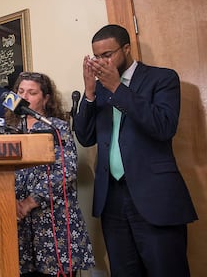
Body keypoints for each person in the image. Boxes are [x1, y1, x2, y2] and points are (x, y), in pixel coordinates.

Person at [74, 24, 197, 276]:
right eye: (96, 56)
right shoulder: (99, 89)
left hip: (155, 196)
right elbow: (85, 138)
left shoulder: (162, 78)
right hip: (112, 199)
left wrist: (118, 88)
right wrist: (89, 92)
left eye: (107, 55)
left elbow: (163, 127)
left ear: (127, 48)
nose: (101, 62)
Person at [6, 71, 94, 277]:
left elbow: (66, 170)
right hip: (17, 219)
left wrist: (30, 202)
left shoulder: (56, 128)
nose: (24, 97)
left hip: (52, 218)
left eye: (32, 92)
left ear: (46, 99)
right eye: (20, 91)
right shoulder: (9, 129)